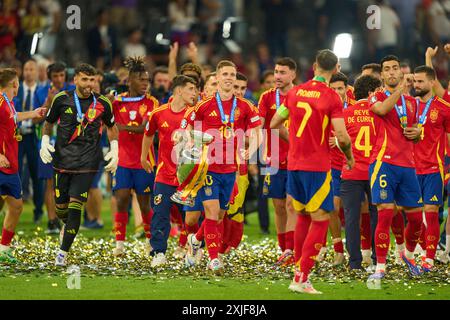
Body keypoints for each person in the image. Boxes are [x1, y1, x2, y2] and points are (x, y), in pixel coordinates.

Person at [270, 49, 354, 294]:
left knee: (303, 217)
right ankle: (302, 277)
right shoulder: (331, 97)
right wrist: (349, 157)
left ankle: (299, 272)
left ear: (314, 66)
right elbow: (342, 136)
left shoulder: (294, 92)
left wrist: (292, 141)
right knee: (320, 218)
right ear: (336, 68)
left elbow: (274, 123)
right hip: (316, 167)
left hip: (294, 165)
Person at [184, 60, 261, 274]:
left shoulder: (245, 106)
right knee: (211, 211)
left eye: (232, 74)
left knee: (220, 215)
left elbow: (258, 133)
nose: (229, 78)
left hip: (231, 169)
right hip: (208, 168)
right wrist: (193, 143)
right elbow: (188, 128)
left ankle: (196, 239)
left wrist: (250, 149)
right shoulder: (204, 105)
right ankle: (214, 259)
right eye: (225, 74)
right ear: (217, 77)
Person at [39, 63, 119, 266]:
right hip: (62, 162)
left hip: (88, 163)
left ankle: (62, 254)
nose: (88, 84)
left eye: (92, 80)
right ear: (75, 80)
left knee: (76, 208)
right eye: (84, 79)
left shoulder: (102, 103)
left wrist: (115, 149)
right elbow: (48, 122)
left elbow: (112, 127)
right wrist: (45, 142)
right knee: (61, 210)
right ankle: (66, 228)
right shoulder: (61, 99)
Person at [367, 55, 424, 282]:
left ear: (400, 71)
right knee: (385, 214)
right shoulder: (376, 95)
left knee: (417, 218)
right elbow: (381, 110)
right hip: (383, 163)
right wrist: (400, 90)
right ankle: (380, 265)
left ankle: (407, 256)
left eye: (395, 68)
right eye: (387, 70)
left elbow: (414, 133)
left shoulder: (412, 103)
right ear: (381, 75)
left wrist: (417, 134)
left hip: (407, 165)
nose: (391, 72)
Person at [140, 75, 197, 268]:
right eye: (191, 89)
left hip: (187, 177)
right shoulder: (158, 113)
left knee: (190, 217)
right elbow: (148, 135)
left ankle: (193, 250)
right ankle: (159, 253)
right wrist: (143, 157)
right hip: (164, 175)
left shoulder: (195, 114)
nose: (195, 93)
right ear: (179, 90)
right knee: (160, 215)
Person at [112, 56, 159, 257]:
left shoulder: (152, 102)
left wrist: (121, 127)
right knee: (121, 199)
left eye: (147, 80)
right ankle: (119, 245)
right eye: (141, 80)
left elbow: (147, 129)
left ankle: (150, 242)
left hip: (144, 160)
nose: (145, 84)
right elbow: (106, 121)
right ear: (129, 80)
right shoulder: (117, 101)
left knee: (144, 203)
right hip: (122, 160)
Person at [0, 68, 47, 263]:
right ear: (14, 84)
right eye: (17, 82)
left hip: (11, 165)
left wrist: (33, 113)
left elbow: (14, 116)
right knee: (12, 205)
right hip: (1, 163)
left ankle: (3, 249)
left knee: (16, 206)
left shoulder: (8, 103)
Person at [340, 74, 382, 270]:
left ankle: (354, 262)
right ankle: (377, 258)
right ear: (372, 92)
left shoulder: (346, 113)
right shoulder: (380, 112)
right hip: (376, 170)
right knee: (377, 215)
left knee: (351, 217)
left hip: (351, 170)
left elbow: (340, 141)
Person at [258, 57, 297, 266]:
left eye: (282, 72)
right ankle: (284, 250)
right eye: (276, 71)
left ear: (293, 75)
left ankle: (291, 249)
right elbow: (261, 125)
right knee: (279, 206)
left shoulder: (301, 96)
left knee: (292, 205)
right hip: (273, 159)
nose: (278, 76)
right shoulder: (266, 98)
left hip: (296, 159)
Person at [412, 65, 450, 271]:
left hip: (433, 169)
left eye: (420, 81)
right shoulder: (408, 106)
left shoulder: (444, 108)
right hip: (410, 169)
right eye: (414, 81)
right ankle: (418, 248)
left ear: (431, 82)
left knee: (432, 211)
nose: (416, 85)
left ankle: (429, 256)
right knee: (414, 215)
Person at [34, 62, 75, 233]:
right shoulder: (42, 91)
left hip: (69, 143)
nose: (59, 79)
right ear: (50, 77)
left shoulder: (73, 90)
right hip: (48, 142)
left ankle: (68, 220)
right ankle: (52, 221)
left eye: (61, 75)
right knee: (49, 182)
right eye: (55, 76)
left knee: (70, 182)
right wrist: (48, 101)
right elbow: (36, 119)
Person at [326, 72, 354, 266]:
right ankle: (338, 250)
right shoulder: (322, 110)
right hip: (333, 166)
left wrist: (338, 140)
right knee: (332, 208)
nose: (336, 92)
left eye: (340, 88)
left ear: (346, 89)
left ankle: (362, 250)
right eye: (333, 89)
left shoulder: (354, 109)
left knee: (356, 210)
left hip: (352, 165)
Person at [13, 59, 45, 226]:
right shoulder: (16, 91)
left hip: (34, 136)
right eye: (26, 69)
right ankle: (13, 207)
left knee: (37, 175)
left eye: (32, 69)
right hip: (17, 136)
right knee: (15, 172)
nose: (28, 72)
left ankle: (38, 211)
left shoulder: (41, 92)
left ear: (37, 71)